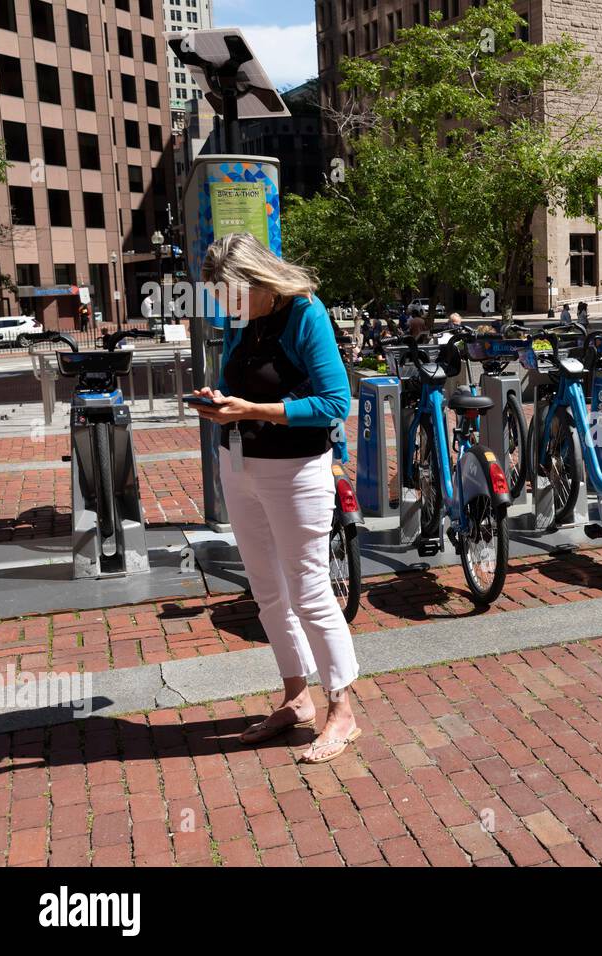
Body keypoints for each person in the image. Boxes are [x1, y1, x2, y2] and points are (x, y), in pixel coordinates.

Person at [191, 232, 360, 766]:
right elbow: (238, 383)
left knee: (309, 589)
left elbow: (337, 402)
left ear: (260, 282)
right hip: (240, 464)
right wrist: (219, 402)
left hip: (294, 469)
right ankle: (296, 698)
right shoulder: (251, 319)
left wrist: (253, 411)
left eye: (230, 295)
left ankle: (344, 710)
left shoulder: (305, 313)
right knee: (266, 590)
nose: (225, 307)